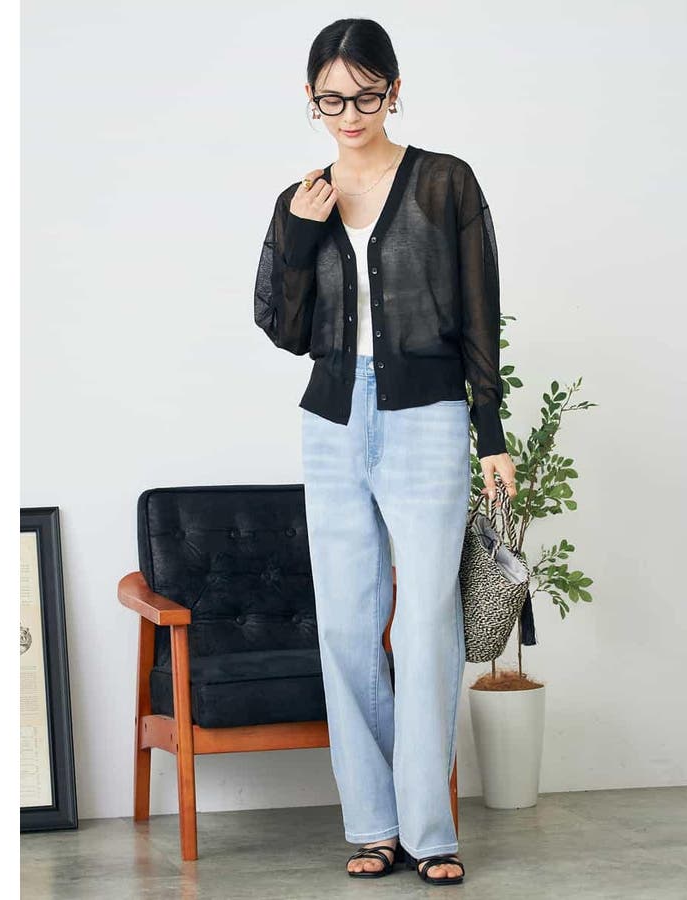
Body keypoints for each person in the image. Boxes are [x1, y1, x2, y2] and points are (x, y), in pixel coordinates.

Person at [254, 17, 517, 885]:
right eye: (331, 100)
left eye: (366, 96)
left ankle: (431, 831)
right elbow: (283, 328)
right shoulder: (302, 197)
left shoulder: (444, 183)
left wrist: (491, 435)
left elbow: (480, 311)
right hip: (332, 420)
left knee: (427, 620)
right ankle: (373, 826)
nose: (350, 114)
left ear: (394, 90)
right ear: (310, 99)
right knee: (345, 623)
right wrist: (301, 235)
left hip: (427, 415)